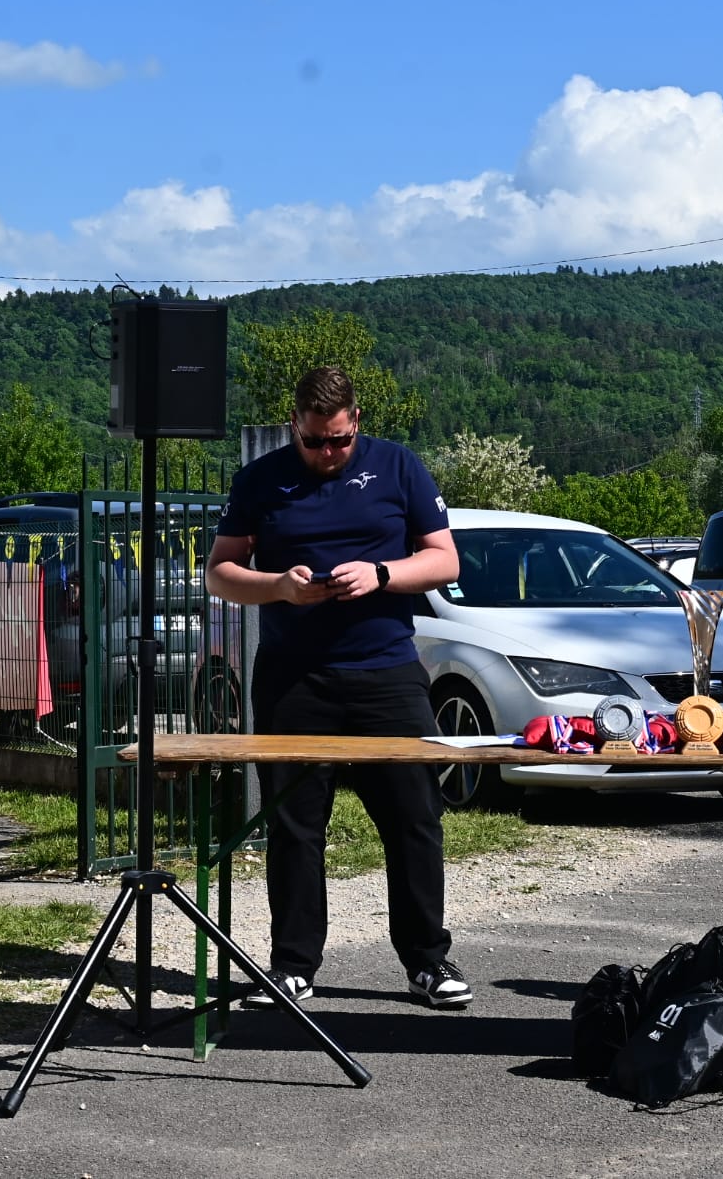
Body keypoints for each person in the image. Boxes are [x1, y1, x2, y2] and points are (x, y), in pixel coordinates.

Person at [205, 366, 467, 1010]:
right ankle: (293, 966)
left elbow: (446, 559)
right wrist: (278, 587)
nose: (329, 453)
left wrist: (380, 573)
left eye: (341, 440)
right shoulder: (260, 479)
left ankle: (427, 963)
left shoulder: (399, 466)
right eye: (316, 441)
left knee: (413, 819)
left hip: (385, 670)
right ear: (294, 424)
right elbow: (219, 574)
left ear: (357, 423)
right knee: (295, 826)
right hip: (296, 676)